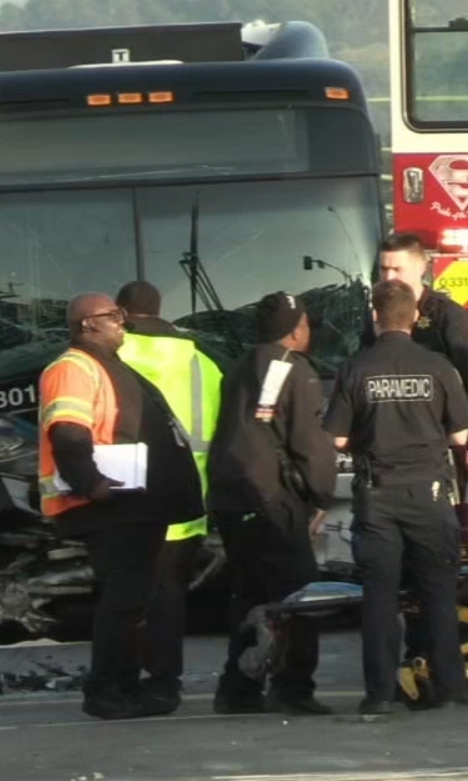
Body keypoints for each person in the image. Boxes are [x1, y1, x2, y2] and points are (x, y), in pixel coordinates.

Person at [37, 292, 206, 720]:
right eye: (113, 315)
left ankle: (126, 687)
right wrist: (92, 484)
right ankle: (106, 691)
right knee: (123, 600)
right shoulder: (73, 367)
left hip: (136, 507)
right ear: (87, 324)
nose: (122, 322)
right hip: (112, 507)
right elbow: (68, 432)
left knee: (134, 601)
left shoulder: (107, 365)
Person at [325, 279, 468, 718]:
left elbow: (336, 438)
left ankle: (379, 693)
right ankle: (450, 688)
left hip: (378, 497)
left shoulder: (355, 367)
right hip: (429, 493)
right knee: (438, 593)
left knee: (380, 598)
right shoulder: (438, 366)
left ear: (375, 317)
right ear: (414, 317)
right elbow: (461, 435)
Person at [206, 292, 338, 715]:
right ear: (295, 330)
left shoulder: (237, 367)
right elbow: (309, 443)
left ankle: (238, 689)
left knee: (249, 596)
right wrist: (321, 495)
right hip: (271, 499)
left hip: (230, 498)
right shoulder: (295, 370)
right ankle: (292, 687)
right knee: (300, 596)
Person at [112, 280, 224, 706]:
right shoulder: (203, 363)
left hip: (130, 497)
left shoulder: (112, 357)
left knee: (125, 594)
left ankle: (123, 679)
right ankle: (164, 679)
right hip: (188, 499)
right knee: (169, 595)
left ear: (121, 313)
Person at [373, 233, 468, 502]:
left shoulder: (446, 316)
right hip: (389, 455)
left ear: (421, 267)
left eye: (397, 269)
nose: (388, 278)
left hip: (441, 452)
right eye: (383, 269)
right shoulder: (376, 316)